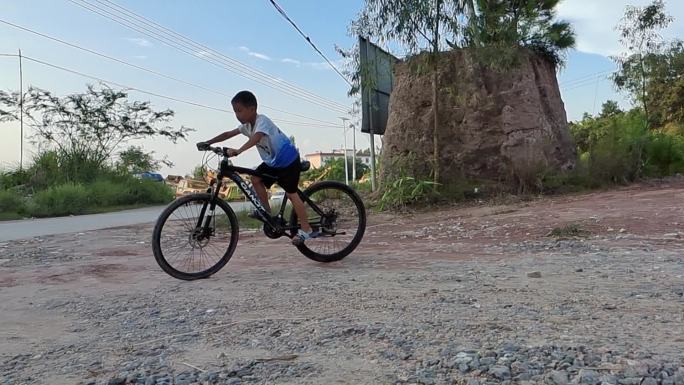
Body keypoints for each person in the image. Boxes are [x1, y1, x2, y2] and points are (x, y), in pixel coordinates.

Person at [197, 90, 318, 245]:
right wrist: (208, 142)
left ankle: (307, 229)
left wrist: (239, 150)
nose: (237, 115)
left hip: (288, 160)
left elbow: (257, 137)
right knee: (255, 178)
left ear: (252, 109)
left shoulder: (262, 121)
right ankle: (267, 213)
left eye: (239, 110)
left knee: (291, 193)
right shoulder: (246, 126)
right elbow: (227, 134)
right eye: (235, 111)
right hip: (272, 162)